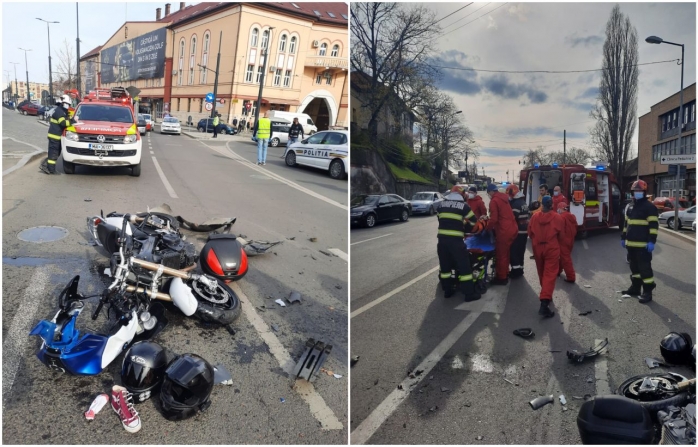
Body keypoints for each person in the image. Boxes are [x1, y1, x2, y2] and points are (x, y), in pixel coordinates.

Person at [436, 185, 481, 302]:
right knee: (464, 267)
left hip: (441, 241)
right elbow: (473, 221)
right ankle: (469, 294)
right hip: (456, 241)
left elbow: (440, 219)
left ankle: (447, 290)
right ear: (461, 194)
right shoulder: (463, 206)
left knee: (445, 267)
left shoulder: (440, 205)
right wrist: (465, 227)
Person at [621, 180, 659, 303]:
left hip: (643, 246)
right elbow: (627, 224)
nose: (637, 193)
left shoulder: (650, 207)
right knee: (634, 268)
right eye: (635, 191)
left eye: (639, 191)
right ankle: (635, 288)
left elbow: (653, 226)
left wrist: (652, 241)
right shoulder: (631, 206)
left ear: (644, 192)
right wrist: (623, 237)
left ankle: (648, 292)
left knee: (645, 269)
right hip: (631, 245)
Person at [527, 196, 565, 317]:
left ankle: (546, 294)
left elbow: (530, 233)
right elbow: (561, 235)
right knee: (550, 274)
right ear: (552, 205)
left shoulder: (534, 217)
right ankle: (545, 302)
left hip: (538, 247)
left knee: (542, 273)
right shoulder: (557, 218)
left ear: (542, 205)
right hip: (551, 247)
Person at [485, 183, 518, 285]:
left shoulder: (494, 201)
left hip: (504, 231)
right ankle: (505, 272)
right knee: (506, 253)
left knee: (501, 255)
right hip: (512, 228)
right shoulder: (504, 199)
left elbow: (494, 219)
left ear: (491, 191)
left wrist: (487, 229)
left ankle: (501, 277)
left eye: (488, 193)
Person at [41, 94, 75, 175]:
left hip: (57, 136)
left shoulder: (62, 111)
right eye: (67, 104)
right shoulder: (59, 111)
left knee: (56, 153)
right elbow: (63, 123)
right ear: (63, 103)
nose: (68, 106)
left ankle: (46, 165)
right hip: (54, 136)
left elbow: (66, 118)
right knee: (54, 153)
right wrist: (71, 122)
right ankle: (51, 170)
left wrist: (71, 118)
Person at [506, 184, 529, 279]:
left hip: (517, 232)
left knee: (514, 252)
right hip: (524, 231)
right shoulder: (523, 202)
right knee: (521, 251)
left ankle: (515, 271)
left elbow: (512, 218)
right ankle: (520, 269)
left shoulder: (515, 204)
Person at [557, 202, 577, 283]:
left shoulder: (561, 217)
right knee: (563, 257)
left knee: (565, 259)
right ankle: (557, 271)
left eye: (558, 208)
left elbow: (560, 231)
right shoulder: (571, 217)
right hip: (570, 240)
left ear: (561, 208)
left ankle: (571, 277)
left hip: (563, 241)